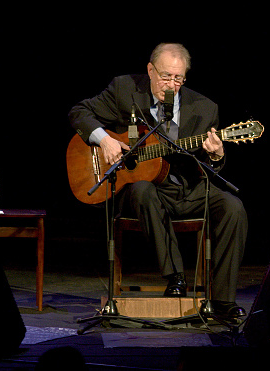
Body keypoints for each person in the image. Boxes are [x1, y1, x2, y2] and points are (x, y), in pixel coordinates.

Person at [68, 43, 247, 318]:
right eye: (165, 76)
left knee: (233, 207)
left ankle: (222, 301)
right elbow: (78, 112)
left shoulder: (205, 108)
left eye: (178, 78)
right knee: (142, 189)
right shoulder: (125, 89)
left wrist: (216, 156)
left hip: (187, 189)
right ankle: (176, 277)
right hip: (143, 192)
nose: (171, 84)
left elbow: (210, 169)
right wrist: (104, 141)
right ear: (150, 70)